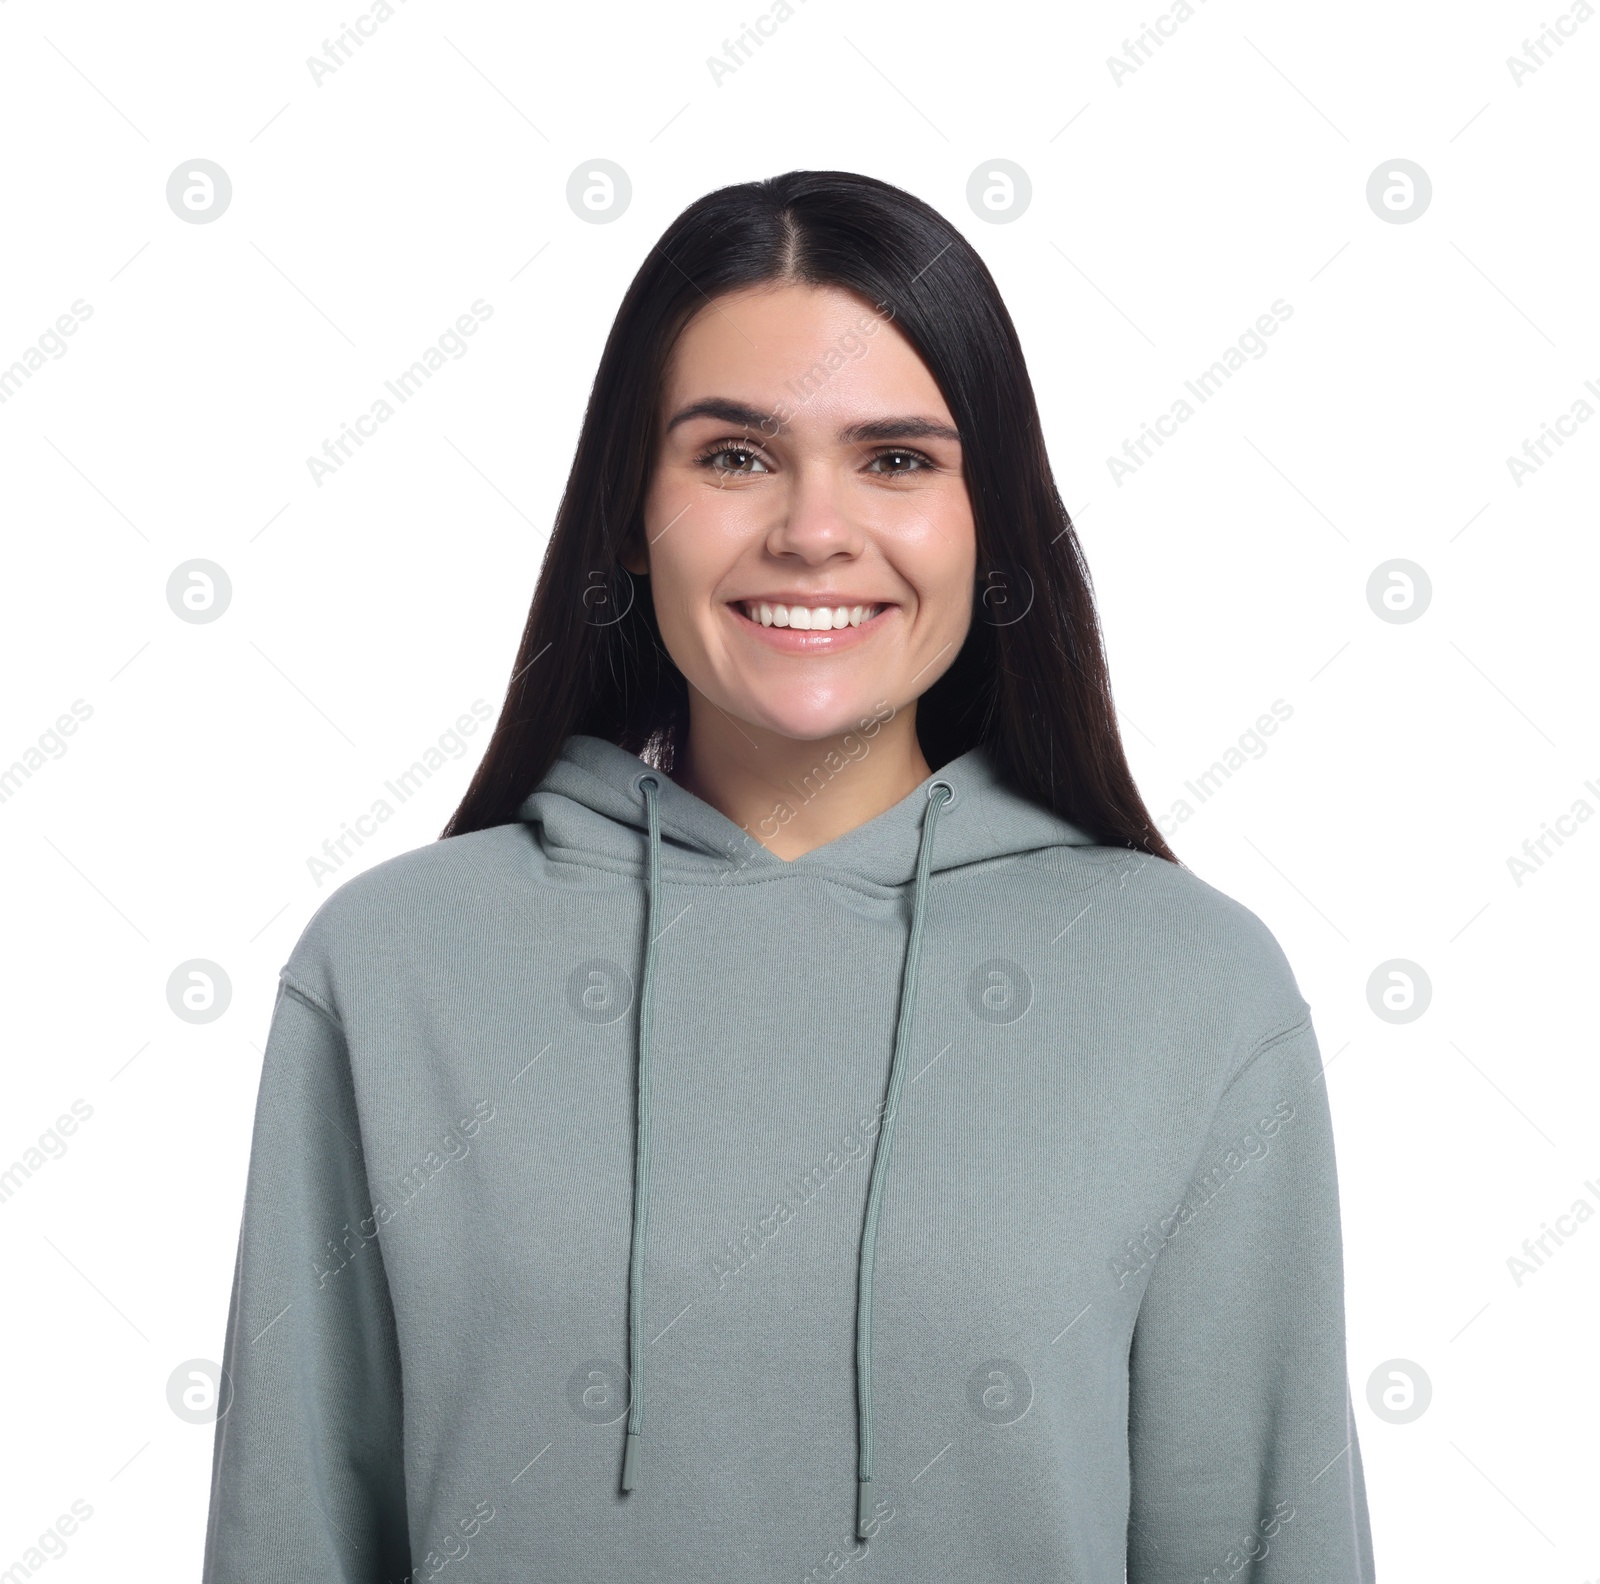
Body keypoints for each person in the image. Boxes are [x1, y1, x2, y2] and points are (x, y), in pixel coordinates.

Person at [202, 169, 1376, 1582]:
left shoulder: (1192, 991)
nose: (814, 530)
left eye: (896, 459)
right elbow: (290, 1542)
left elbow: (1260, 1549)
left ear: (987, 518)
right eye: (736, 457)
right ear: (634, 514)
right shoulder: (394, 969)